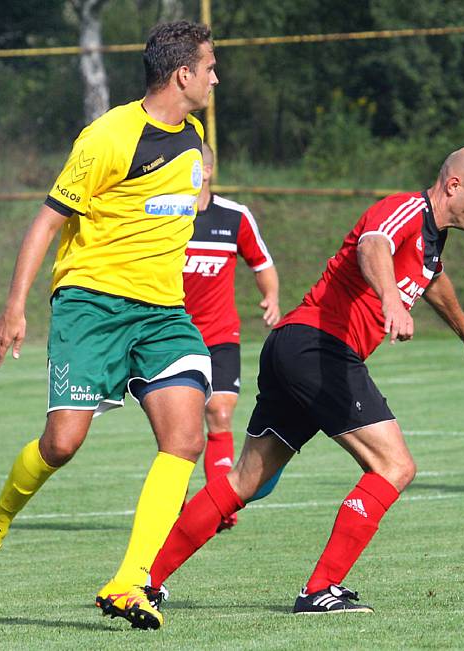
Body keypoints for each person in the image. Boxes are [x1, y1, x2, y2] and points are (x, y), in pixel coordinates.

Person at [144, 145, 464, 619]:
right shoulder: (405, 210)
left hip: (293, 347)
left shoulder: (434, 237)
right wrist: (391, 301)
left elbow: (434, 279)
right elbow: (373, 244)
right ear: (453, 184)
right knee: (394, 466)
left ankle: (145, 580)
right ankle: (321, 589)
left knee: (245, 480)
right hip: (319, 347)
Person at [0, 21, 219, 630]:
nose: (215, 76)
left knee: (185, 439)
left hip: (162, 314)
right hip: (91, 307)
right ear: (183, 73)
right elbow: (48, 221)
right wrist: (15, 307)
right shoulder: (108, 136)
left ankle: (129, 582)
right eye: (209, 66)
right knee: (61, 444)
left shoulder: (195, 136)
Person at [184, 143, 281, 530]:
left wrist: (271, 297)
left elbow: (263, 264)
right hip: (173, 336)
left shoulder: (234, 217)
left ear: (206, 171)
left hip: (221, 333)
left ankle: (219, 506)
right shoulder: (162, 217)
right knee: (184, 430)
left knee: (220, 413)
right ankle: (182, 501)